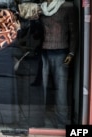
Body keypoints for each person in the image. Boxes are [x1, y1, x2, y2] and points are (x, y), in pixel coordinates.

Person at [40, 0, 77, 128]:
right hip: (43, 51)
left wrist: (71, 53)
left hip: (61, 52)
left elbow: (74, 31)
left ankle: (61, 122)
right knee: (41, 88)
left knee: (61, 90)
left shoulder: (67, 6)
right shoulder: (42, 7)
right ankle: (39, 119)